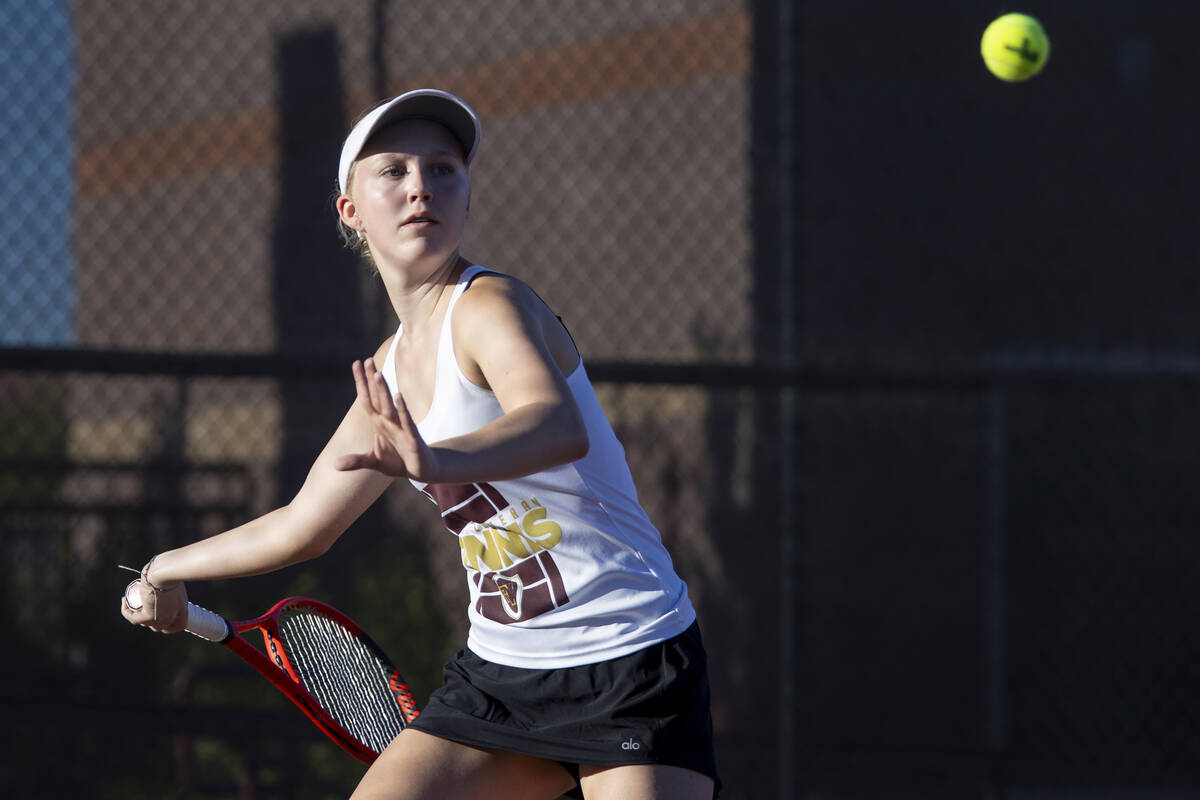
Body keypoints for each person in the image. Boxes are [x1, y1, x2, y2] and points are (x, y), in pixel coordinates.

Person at [121, 89, 719, 800]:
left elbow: (557, 425)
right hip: (501, 680)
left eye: (443, 170)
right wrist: (162, 570)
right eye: (394, 172)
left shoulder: (490, 306)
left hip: (630, 657)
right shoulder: (391, 371)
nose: (420, 188)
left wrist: (438, 462)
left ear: (466, 198)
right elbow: (303, 525)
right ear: (352, 211)